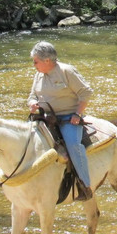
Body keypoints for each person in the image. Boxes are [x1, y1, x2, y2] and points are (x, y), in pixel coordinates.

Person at [27, 41, 94, 201]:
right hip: (45, 118)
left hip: (67, 118)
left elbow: (86, 93)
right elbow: (32, 95)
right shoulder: (38, 74)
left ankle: (85, 186)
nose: (34, 65)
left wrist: (77, 114)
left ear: (47, 61)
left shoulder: (66, 71)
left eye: (35, 61)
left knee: (73, 145)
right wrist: (31, 103)